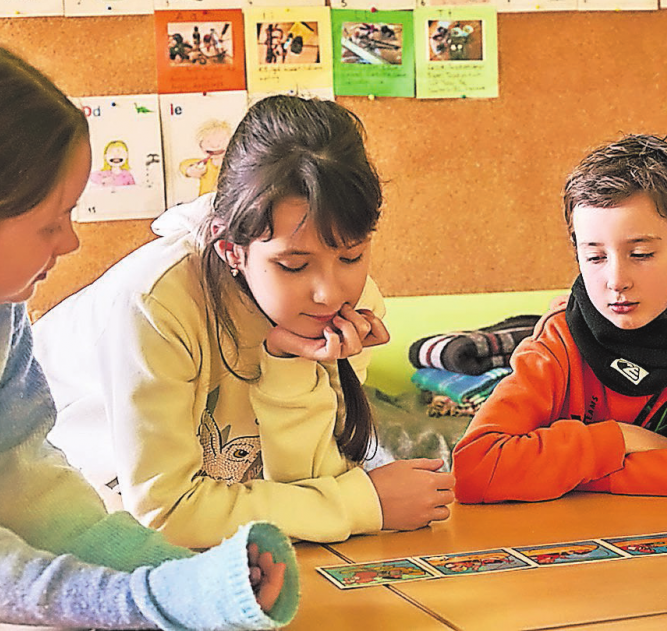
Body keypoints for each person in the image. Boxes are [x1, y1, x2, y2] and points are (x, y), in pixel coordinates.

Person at [0, 33, 295, 629]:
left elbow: (24, 489)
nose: (71, 241)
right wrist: (149, 603)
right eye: (51, 223)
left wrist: (175, 580)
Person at [33, 95, 455, 547]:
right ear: (231, 249)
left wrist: (289, 367)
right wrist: (363, 505)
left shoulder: (348, 306)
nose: (329, 291)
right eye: (294, 265)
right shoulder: (153, 304)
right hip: (65, 524)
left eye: (351, 255)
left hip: (216, 539)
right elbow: (165, 513)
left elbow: (309, 489)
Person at [452, 135, 667, 503]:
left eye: (642, 253)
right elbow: (474, 470)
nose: (616, 281)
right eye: (595, 258)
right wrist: (618, 438)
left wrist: (556, 474)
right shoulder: (559, 338)